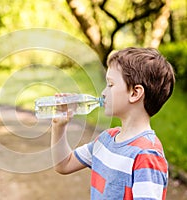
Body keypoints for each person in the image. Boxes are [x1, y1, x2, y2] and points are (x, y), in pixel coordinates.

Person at [51, 47, 175, 199]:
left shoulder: (146, 155)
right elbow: (64, 164)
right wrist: (59, 126)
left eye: (110, 84)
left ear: (135, 93)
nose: (103, 92)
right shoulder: (106, 140)